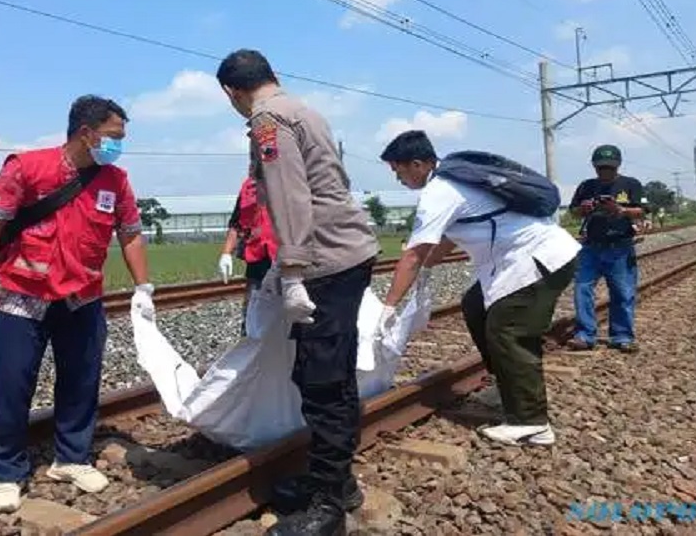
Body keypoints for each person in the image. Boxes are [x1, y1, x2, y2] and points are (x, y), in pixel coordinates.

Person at [0, 95, 155, 513]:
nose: (117, 145)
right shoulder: (26, 168)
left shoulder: (115, 181)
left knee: (82, 379)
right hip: (22, 293)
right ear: (86, 134)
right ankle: (7, 470)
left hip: (81, 298)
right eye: (112, 137)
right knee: (12, 384)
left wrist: (144, 288)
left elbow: (131, 233)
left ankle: (71, 458)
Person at [217, 49, 380, 536]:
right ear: (274, 76)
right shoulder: (303, 108)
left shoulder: (268, 120)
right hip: (345, 253)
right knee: (333, 372)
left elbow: (290, 195)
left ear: (231, 92)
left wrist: (290, 269)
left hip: (324, 260)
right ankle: (336, 481)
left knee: (323, 381)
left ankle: (329, 505)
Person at [378, 130, 580, 446]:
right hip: (518, 262)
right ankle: (505, 388)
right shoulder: (452, 182)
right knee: (475, 306)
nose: (399, 179)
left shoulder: (440, 191)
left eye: (399, 171)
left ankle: (531, 423)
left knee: (509, 330)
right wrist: (429, 268)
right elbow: (446, 237)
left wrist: (388, 307)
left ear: (417, 164)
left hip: (538, 260)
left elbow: (413, 254)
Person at [566, 144, 645, 353]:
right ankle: (585, 335)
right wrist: (582, 209)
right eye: (601, 167)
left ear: (618, 165)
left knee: (622, 292)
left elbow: (642, 211)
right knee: (582, 288)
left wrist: (621, 210)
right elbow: (573, 212)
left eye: (609, 167)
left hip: (620, 246)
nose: (605, 171)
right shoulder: (586, 186)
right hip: (591, 246)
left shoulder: (630, 184)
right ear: (594, 166)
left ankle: (622, 336)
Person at [218, 174, 278, 333]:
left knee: (288, 321)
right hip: (257, 261)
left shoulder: (292, 178)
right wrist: (226, 253)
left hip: (289, 262)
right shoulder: (249, 186)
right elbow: (236, 223)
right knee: (253, 321)